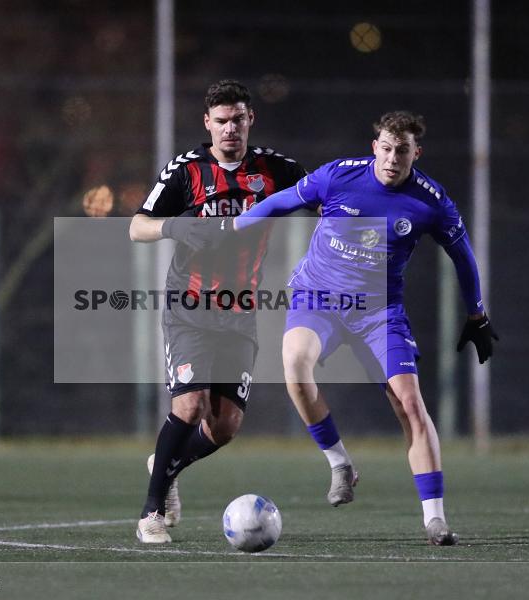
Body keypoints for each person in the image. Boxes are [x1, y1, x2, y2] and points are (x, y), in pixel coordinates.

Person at [233, 110, 498, 545]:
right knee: (295, 367)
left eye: (404, 151)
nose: (394, 159)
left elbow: (464, 257)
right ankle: (339, 463)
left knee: (410, 404)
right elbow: (284, 200)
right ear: (375, 146)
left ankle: (435, 518)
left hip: (379, 312)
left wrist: (477, 314)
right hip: (318, 298)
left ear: (417, 153)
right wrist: (237, 224)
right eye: (387, 148)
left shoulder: (430, 200)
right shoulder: (339, 175)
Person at [129, 79, 305, 543]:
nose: (230, 129)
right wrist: (176, 227)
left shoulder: (276, 169)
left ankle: (164, 464)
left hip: (241, 311)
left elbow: (324, 195)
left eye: (238, 119)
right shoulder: (186, 171)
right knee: (190, 406)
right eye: (221, 121)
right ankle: (152, 511)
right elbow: (136, 226)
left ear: (251, 120)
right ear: (207, 123)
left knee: (224, 426)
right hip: (189, 306)